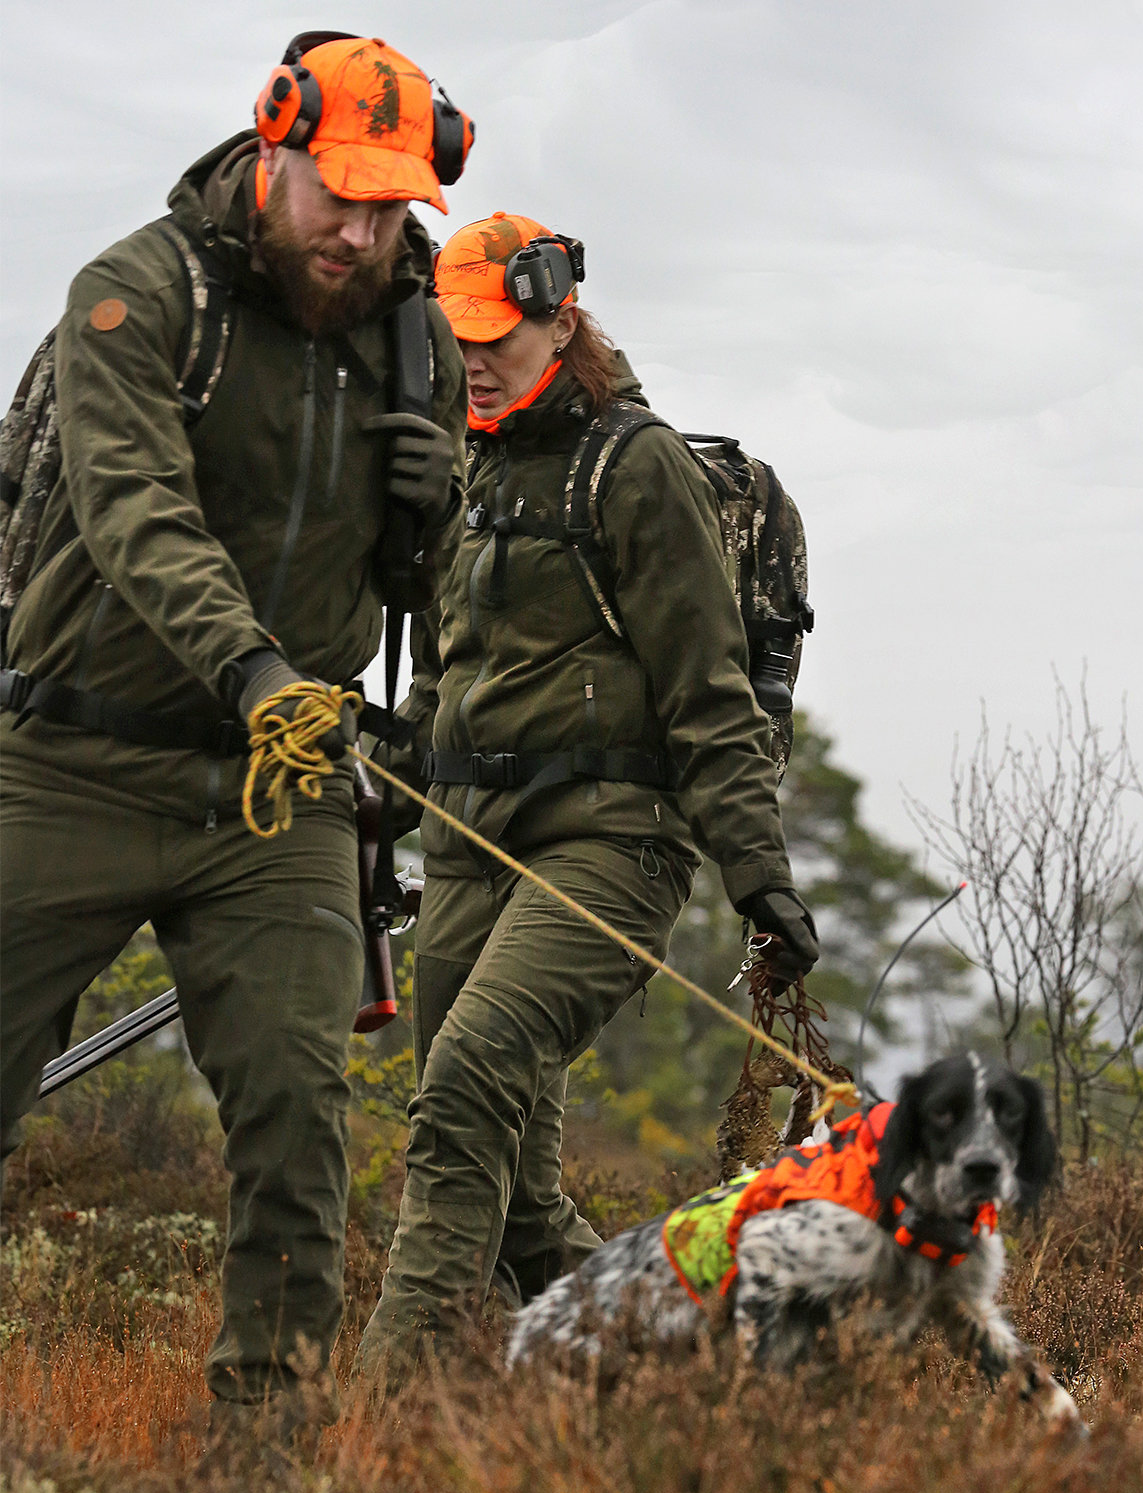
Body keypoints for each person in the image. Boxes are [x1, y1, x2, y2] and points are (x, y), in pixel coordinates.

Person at [0, 33, 470, 1420]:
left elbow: (433, 597)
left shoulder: (415, 337)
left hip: (280, 801)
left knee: (298, 1127)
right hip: (69, 764)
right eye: (340, 196)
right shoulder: (136, 296)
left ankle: (266, 1444)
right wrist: (255, 670)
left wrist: (441, 511)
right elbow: (135, 512)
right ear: (272, 153)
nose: (362, 232)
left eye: (391, 206)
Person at [356, 211, 819, 1378]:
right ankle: (669, 1375)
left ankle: (378, 1423)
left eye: (494, 333)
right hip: (476, 848)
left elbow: (711, 696)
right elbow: (456, 675)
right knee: (504, 1186)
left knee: (465, 1090)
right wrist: (379, 778)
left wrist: (759, 877)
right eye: (455, 333)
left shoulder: (637, 465)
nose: (472, 355)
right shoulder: (468, 462)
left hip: (613, 844)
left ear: (560, 315)